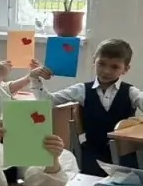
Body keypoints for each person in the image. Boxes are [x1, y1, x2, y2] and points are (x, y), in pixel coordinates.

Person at [31, 37, 143, 176]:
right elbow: (47, 101)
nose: (106, 71)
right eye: (101, 64)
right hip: (92, 157)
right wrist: (35, 78)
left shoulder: (131, 92)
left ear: (125, 69)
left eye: (114, 67)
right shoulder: (81, 90)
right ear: (94, 60)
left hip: (126, 158)